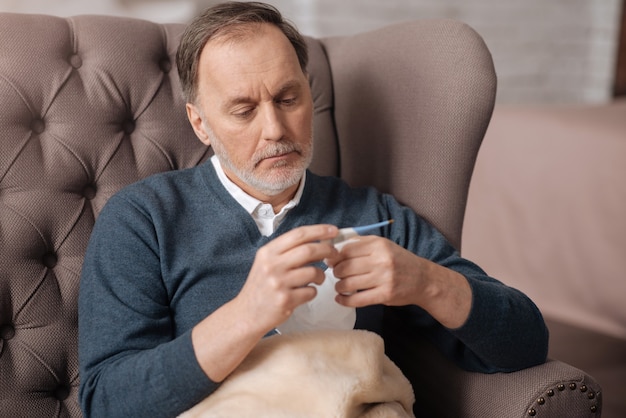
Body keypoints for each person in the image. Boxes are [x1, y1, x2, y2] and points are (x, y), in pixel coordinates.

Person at [78, 2, 549, 417]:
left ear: (310, 94)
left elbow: (526, 344)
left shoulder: (374, 215)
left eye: (288, 99)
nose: (276, 129)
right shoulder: (143, 220)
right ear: (200, 123)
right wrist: (248, 314)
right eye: (243, 110)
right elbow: (109, 402)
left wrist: (428, 282)